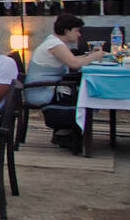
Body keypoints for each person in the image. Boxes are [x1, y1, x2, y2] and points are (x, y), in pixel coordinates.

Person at [24, 13, 103, 153]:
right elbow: (74, 64)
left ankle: (68, 130)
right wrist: (94, 56)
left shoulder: (54, 42)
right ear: (67, 31)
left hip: (48, 87)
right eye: (77, 31)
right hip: (40, 91)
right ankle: (67, 131)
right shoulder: (55, 44)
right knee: (86, 93)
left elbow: (72, 59)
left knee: (81, 90)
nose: (79, 35)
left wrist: (88, 56)